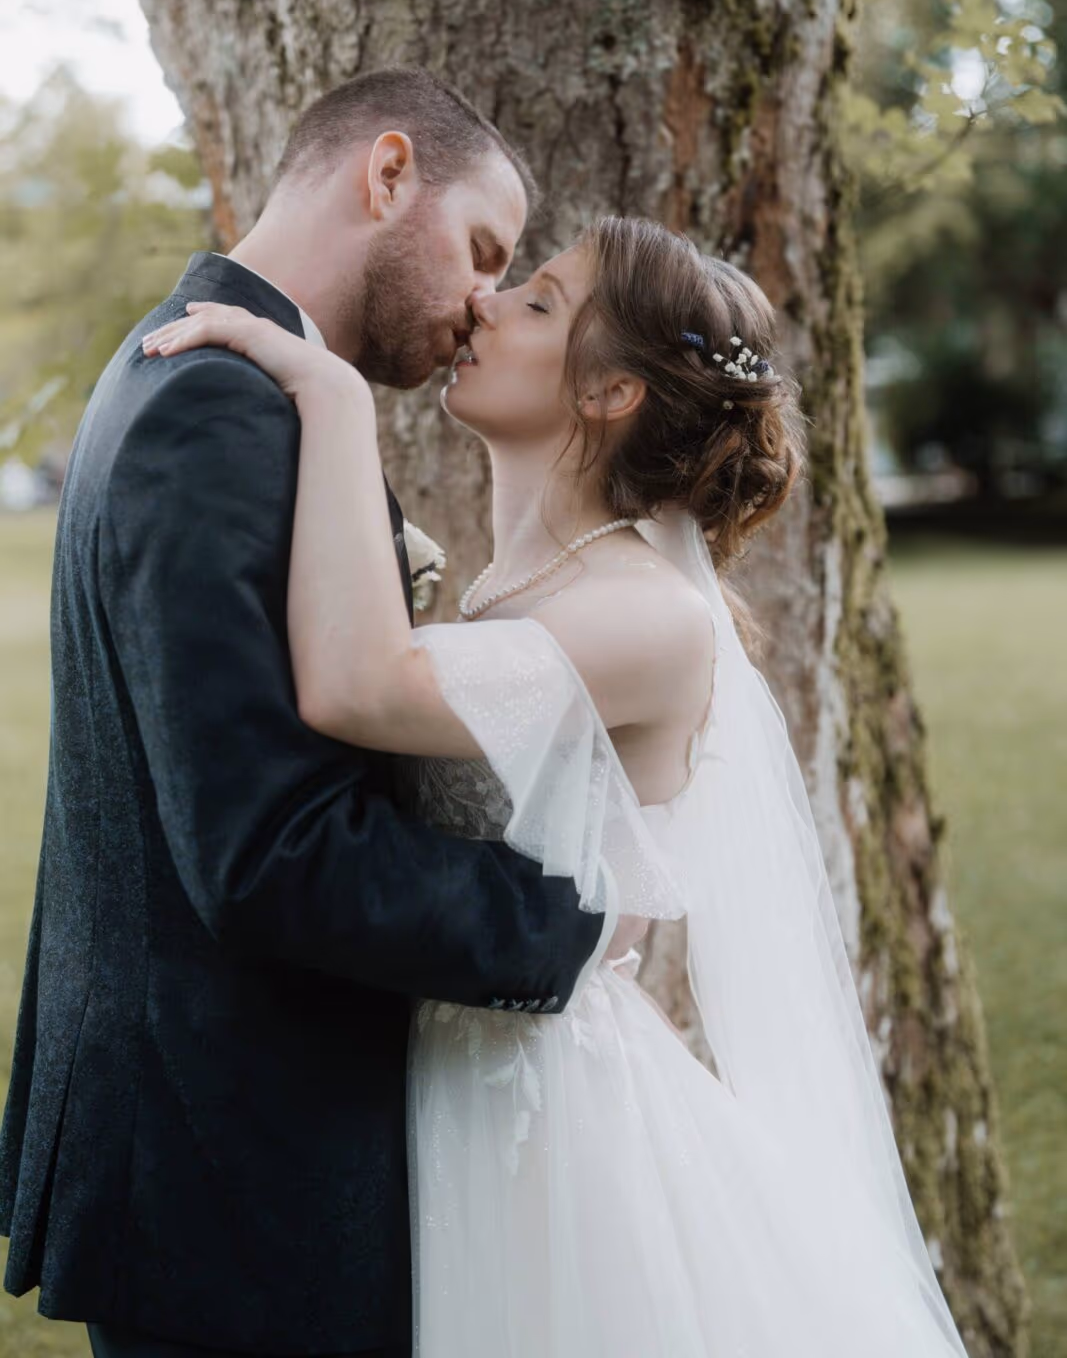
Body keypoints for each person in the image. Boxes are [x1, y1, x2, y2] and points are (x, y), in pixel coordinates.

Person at [142, 215, 973, 1357]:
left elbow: (355, 688)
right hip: (440, 1075)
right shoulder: (515, 589)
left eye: (534, 302)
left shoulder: (650, 617)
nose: (483, 306)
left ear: (609, 393)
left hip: (545, 1118)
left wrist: (331, 396)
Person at [0, 70, 637, 1358]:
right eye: (480, 251)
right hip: (233, 1165)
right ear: (387, 172)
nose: (479, 303)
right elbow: (269, 855)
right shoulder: (216, 407)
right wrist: (569, 925)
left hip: (210, 1145)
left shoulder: (214, 372)